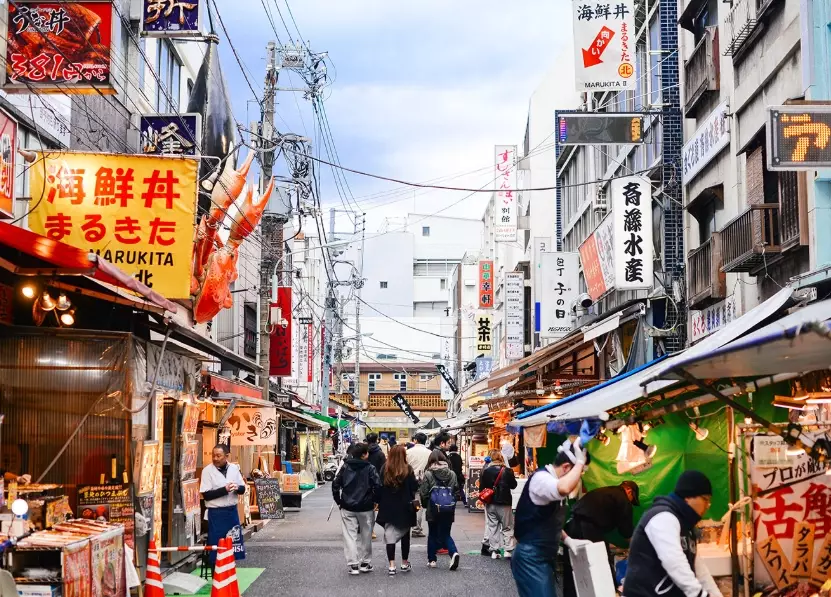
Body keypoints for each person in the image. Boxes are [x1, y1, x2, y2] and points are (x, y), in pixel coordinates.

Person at [623, 470, 722, 597]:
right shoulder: (663, 517)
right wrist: (699, 595)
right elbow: (674, 562)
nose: (707, 505)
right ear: (688, 497)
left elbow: (700, 571)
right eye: (705, 499)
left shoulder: (687, 527)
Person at [511, 439, 589, 597]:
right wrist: (581, 461)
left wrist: (567, 539)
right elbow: (564, 487)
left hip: (544, 555)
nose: (577, 480)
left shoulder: (552, 482)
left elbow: (548, 520)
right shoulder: (542, 479)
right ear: (566, 467)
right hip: (530, 557)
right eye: (577, 473)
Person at [562, 480, 639, 597]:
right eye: (632, 499)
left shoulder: (603, 492)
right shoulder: (622, 498)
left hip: (571, 527)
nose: (630, 502)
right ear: (629, 490)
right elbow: (626, 531)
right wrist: (635, 550)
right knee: (601, 566)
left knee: (572, 567)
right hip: (587, 529)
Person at [332, 442, 382, 575]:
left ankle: (353, 564)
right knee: (366, 535)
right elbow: (377, 485)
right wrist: (376, 501)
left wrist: (339, 501)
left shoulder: (346, 466)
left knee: (349, 535)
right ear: (365, 455)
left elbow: (335, 484)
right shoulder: (370, 468)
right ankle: (365, 563)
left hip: (347, 505)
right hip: (366, 506)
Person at [199, 445, 247, 564]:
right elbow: (206, 495)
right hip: (216, 513)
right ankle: (216, 574)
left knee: (233, 544)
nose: (215, 458)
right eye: (213, 455)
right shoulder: (207, 471)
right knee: (217, 546)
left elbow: (242, 489)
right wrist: (224, 489)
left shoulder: (234, 468)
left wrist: (237, 488)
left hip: (231, 512)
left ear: (226, 456)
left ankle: (230, 572)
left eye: (218, 456)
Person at [376, 445, 419, 576]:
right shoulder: (408, 469)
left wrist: (378, 502)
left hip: (388, 506)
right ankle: (404, 562)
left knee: (390, 535)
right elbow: (414, 487)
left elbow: (379, 487)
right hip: (405, 507)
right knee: (405, 535)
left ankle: (391, 565)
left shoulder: (385, 469)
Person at [419, 449, 460, 570]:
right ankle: (453, 553)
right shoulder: (452, 474)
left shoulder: (428, 474)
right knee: (446, 533)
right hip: (448, 508)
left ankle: (432, 560)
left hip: (433, 508)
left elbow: (424, 493)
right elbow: (456, 491)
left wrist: (426, 505)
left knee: (432, 533)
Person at [480, 449, 517, 559]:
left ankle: (494, 551)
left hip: (490, 502)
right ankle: (508, 550)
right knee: (507, 526)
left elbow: (482, 487)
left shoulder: (486, 471)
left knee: (493, 526)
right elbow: (513, 485)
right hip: (505, 502)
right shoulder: (508, 471)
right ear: (501, 458)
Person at [406, 433, 431, 537]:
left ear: (415, 440)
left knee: (407, 502)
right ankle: (416, 528)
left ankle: (406, 525)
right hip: (423, 480)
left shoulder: (408, 452)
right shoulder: (430, 453)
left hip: (408, 480)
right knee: (418, 504)